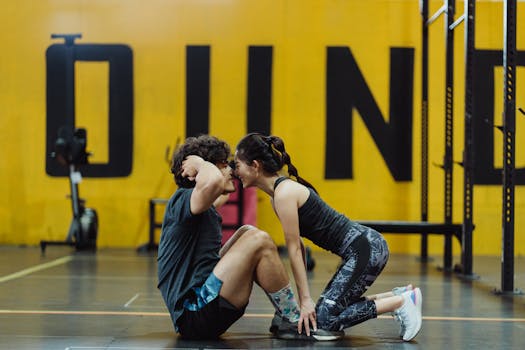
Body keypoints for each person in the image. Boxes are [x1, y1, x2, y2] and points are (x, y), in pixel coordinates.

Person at [233, 133, 423, 342]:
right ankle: (398, 295)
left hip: (365, 249)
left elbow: (294, 249)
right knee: (323, 314)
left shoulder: (284, 194)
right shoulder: (278, 196)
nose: (235, 172)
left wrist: (305, 299)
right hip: (364, 248)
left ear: (255, 165)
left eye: (237, 165)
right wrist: (304, 300)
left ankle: (402, 302)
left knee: (323, 322)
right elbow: (300, 247)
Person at [157, 135, 342, 341]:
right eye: (224, 165)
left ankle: (285, 318)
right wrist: (200, 163)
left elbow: (219, 188)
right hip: (194, 315)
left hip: (203, 307)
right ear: (198, 174)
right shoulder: (182, 200)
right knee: (257, 239)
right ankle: (292, 319)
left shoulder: (202, 208)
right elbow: (215, 182)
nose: (231, 171)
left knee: (247, 232)